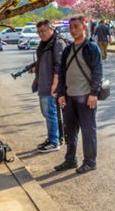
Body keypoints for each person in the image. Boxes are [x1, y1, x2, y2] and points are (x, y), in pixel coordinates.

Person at [55, 16, 103, 174]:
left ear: (84, 27)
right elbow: (62, 73)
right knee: (70, 131)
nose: (73, 30)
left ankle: (90, 161)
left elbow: (97, 72)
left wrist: (94, 93)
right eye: (71, 27)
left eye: (76, 26)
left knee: (88, 131)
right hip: (69, 97)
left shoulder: (92, 48)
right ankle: (70, 160)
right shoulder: (68, 49)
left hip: (86, 97)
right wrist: (61, 93)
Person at [34, 20, 64, 153]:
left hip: (50, 86)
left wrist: (55, 84)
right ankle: (52, 137)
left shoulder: (57, 43)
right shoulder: (44, 44)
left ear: (51, 29)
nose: (41, 34)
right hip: (43, 84)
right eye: (39, 32)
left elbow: (59, 65)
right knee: (47, 113)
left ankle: (54, 141)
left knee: (51, 113)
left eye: (44, 31)